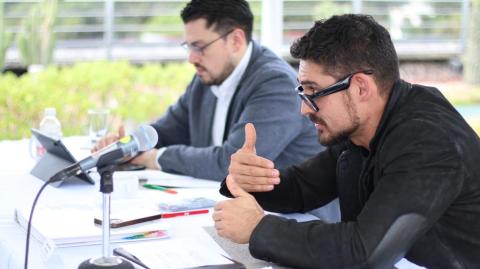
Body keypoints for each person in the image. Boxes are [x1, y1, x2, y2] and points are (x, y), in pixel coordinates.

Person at [213, 14, 480, 269]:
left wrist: (259, 228)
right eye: (303, 92)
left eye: (314, 92)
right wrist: (247, 180)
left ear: (361, 87)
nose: (304, 110)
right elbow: (303, 187)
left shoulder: (428, 142)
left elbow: (365, 253)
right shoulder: (364, 125)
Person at [93, 0, 322, 181]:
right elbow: (166, 132)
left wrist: (155, 158)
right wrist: (129, 145)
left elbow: (230, 163)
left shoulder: (277, 84)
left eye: (199, 47)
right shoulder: (207, 77)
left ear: (235, 40)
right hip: (229, 211)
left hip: (292, 221)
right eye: (189, 46)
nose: (192, 58)